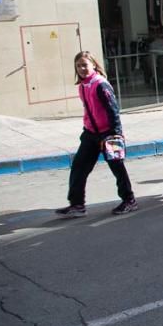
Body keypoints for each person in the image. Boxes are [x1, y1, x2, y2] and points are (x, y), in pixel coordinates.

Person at [56, 51, 137, 218]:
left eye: (85, 65)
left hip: (108, 133)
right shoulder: (83, 86)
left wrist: (115, 134)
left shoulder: (100, 84)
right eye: (79, 66)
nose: (82, 69)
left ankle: (129, 200)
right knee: (79, 167)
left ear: (93, 64)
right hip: (91, 133)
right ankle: (77, 205)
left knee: (117, 167)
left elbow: (113, 110)